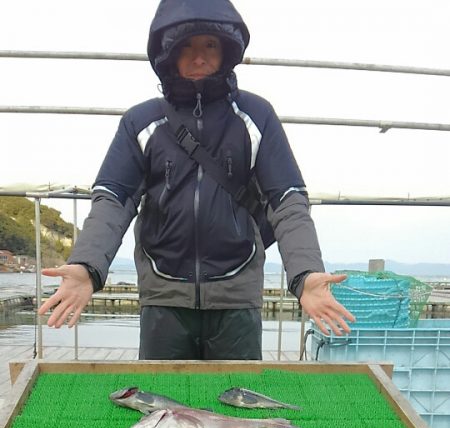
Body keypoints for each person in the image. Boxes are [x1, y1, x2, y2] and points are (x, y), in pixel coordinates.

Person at [39, 0, 355, 359]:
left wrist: (306, 274)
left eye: (210, 45)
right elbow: (113, 199)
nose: (199, 57)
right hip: (163, 294)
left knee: (239, 391)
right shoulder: (140, 122)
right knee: (161, 394)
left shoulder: (256, 115)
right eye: (186, 46)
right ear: (168, 53)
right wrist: (86, 266)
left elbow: (288, 201)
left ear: (226, 50)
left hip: (237, 294)